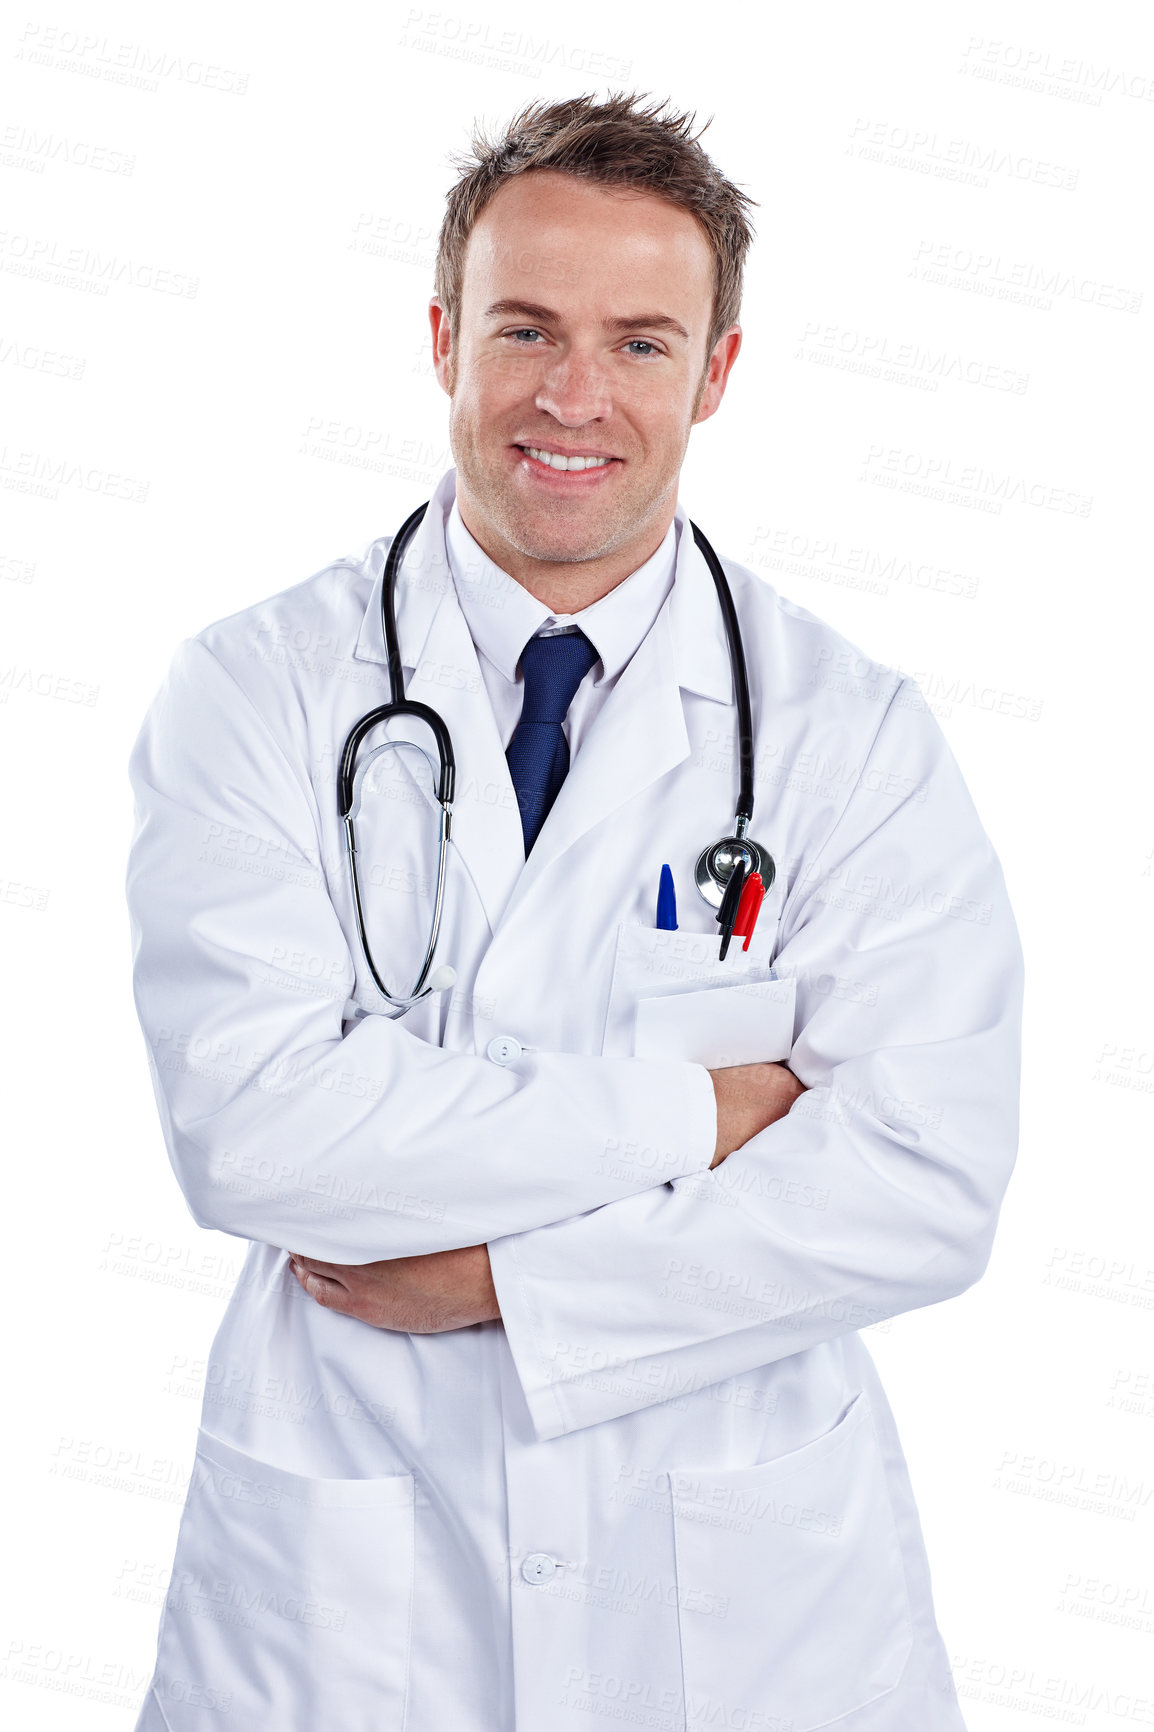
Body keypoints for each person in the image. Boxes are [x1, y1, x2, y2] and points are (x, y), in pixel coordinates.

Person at [125, 91, 1023, 1732]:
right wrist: (706, 1116)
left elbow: (921, 1181)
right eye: (524, 328)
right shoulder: (253, 691)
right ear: (441, 338)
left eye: (639, 343)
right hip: (347, 1574)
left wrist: (503, 1291)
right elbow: (254, 1136)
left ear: (719, 373)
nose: (572, 397)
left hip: (740, 1599)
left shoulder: (849, 734)